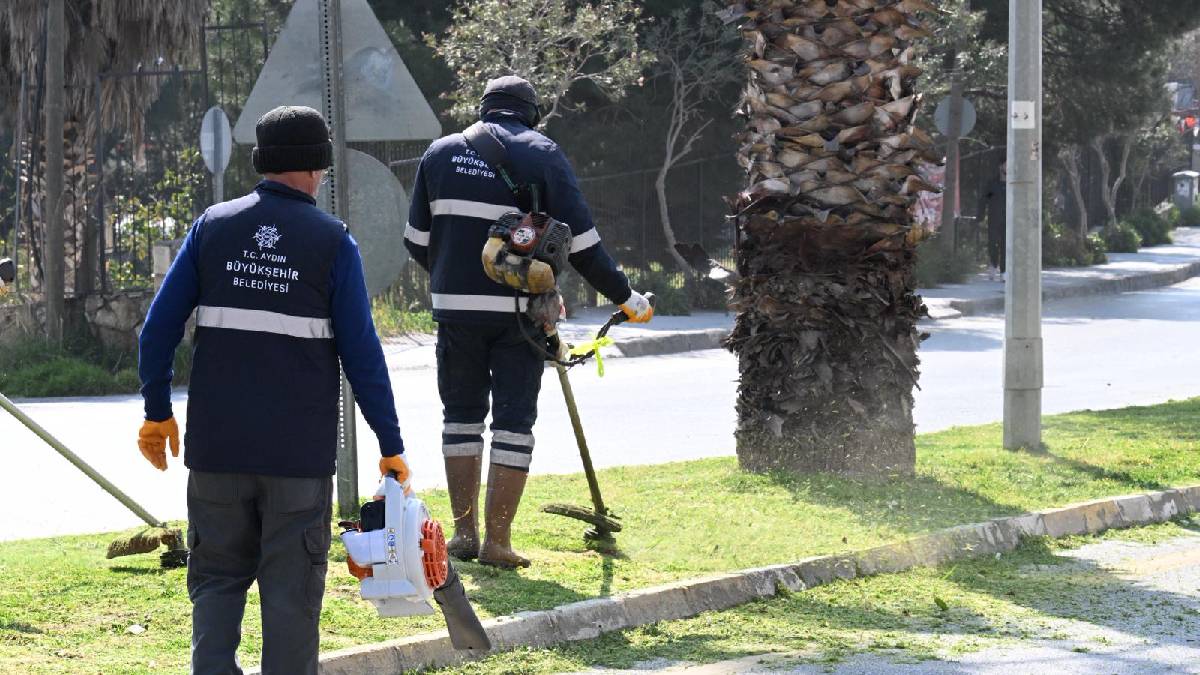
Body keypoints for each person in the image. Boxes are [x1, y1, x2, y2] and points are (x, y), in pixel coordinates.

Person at [136, 105, 410, 675]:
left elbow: (157, 329)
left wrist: (157, 411)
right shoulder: (332, 242)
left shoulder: (212, 227)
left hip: (217, 453)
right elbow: (363, 355)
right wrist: (390, 443)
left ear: (262, 162)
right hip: (297, 462)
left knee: (216, 582)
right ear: (315, 167)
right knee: (290, 597)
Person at [404, 75, 653, 569]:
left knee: (460, 417)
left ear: (484, 108)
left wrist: (458, 280)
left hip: (455, 311)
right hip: (520, 315)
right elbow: (584, 247)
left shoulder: (440, 153)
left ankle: (464, 536)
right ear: (531, 114)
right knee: (514, 422)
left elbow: (416, 240)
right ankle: (498, 543)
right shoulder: (544, 154)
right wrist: (628, 298)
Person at [978, 161, 1007, 280]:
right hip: (994, 218)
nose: (1007, 167)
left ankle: (1004, 271)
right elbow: (985, 199)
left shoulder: (1013, 184)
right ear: (1000, 167)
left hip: (1008, 220)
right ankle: (994, 264)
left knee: (1005, 245)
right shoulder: (993, 184)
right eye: (1005, 164)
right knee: (992, 243)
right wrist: (980, 215)